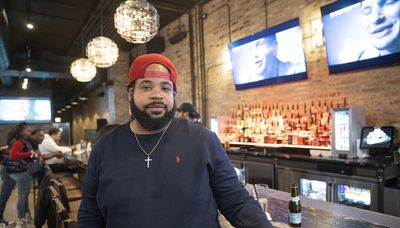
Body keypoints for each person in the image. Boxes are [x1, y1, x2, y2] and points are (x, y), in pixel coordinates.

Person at [78, 53, 272, 227]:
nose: (157, 95)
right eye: (146, 87)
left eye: (165, 88)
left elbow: (236, 201)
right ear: (131, 93)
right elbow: (90, 214)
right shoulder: (105, 147)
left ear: (173, 95)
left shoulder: (203, 140)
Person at [4, 122, 38, 225]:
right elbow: (13, 156)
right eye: (27, 130)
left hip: (19, 171)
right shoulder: (19, 142)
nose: (29, 132)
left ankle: (23, 217)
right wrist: (30, 153)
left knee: (23, 195)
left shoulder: (18, 141)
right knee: (23, 195)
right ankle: (21, 218)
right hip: (20, 172)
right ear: (21, 131)